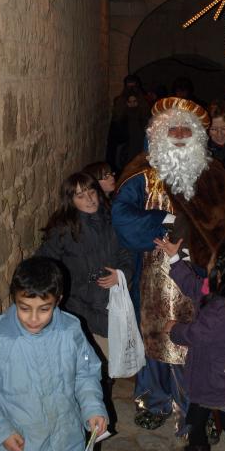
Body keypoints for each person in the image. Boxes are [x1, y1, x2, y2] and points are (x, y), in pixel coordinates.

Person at [112, 96, 225, 434]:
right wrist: (164, 218)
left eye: (187, 128)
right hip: (152, 273)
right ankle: (154, 399)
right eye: (173, 127)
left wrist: (223, 268)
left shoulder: (213, 172)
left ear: (198, 134)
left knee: (197, 339)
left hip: (198, 274)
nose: (180, 133)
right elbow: (121, 215)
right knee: (154, 335)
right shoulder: (141, 171)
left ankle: (196, 408)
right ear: (158, 132)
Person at [36, 172, 133, 428]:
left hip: (109, 305)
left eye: (91, 192)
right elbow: (44, 263)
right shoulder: (64, 229)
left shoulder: (113, 220)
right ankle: (80, 424)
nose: (89, 199)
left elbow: (127, 254)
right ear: (71, 200)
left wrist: (121, 275)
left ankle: (95, 424)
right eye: (80, 195)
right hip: (78, 309)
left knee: (105, 369)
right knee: (83, 369)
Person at [0, 257, 107, 451]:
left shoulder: (70, 330)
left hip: (69, 442)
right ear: (14, 299)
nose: (33, 318)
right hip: (24, 447)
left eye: (44, 309)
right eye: (24, 308)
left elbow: (85, 374)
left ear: (57, 301)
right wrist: (0, 431)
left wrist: (93, 408)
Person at [166, 243, 225, 451]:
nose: (207, 263)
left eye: (212, 261)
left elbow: (195, 334)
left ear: (220, 275)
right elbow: (192, 285)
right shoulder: (222, 293)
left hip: (222, 378)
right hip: (211, 375)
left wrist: (174, 329)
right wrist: (174, 259)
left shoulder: (222, 311)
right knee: (196, 422)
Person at [106, 74, 150, 172]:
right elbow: (114, 138)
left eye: (133, 86)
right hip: (124, 153)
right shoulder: (120, 111)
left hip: (139, 151)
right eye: (129, 86)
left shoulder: (144, 111)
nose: (131, 89)